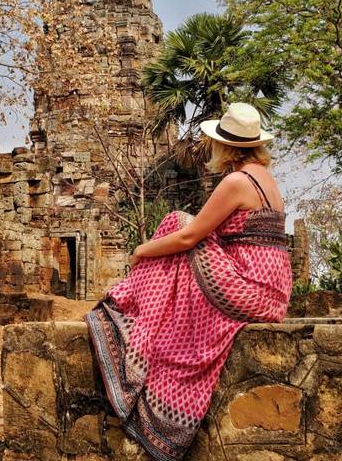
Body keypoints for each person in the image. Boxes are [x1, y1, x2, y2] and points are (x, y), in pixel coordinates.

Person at [85, 102, 293, 461]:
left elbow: (189, 238)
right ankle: (147, 314)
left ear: (225, 145)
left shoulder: (237, 182)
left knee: (177, 222)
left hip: (248, 289)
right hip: (272, 293)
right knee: (181, 228)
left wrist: (141, 250)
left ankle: (133, 318)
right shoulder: (266, 179)